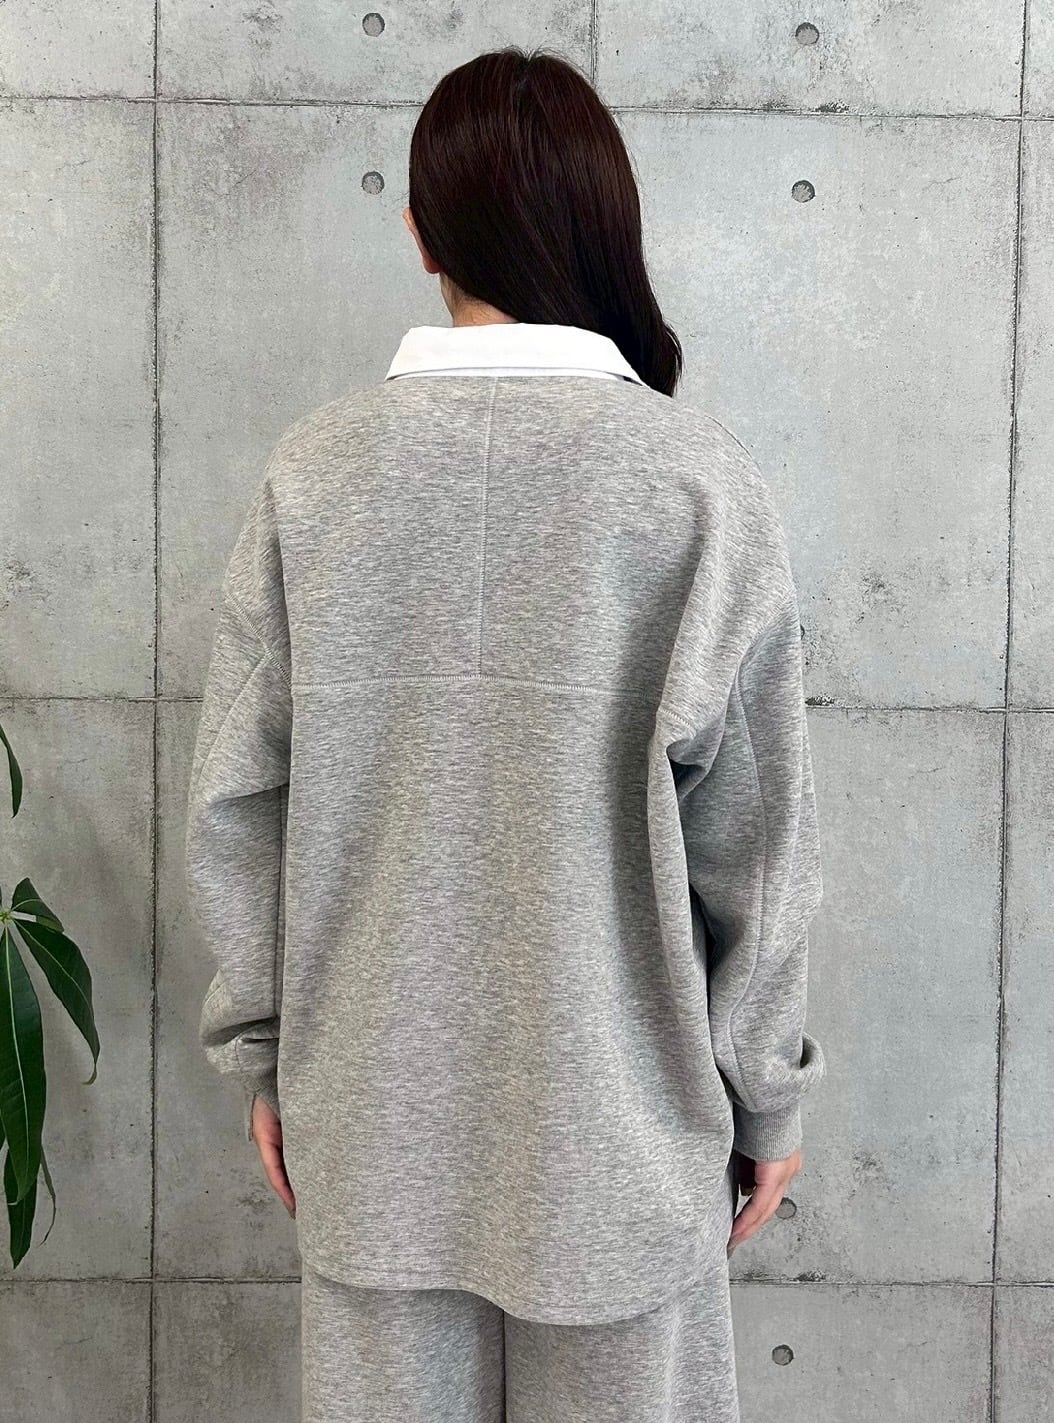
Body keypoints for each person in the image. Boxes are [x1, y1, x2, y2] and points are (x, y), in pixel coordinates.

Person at [184, 44, 826, 1423]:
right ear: (607, 225)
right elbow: (757, 848)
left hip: (373, 1129)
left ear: (421, 232)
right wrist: (765, 1096)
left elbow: (237, 805)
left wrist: (266, 1052)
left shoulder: (316, 478)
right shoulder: (696, 485)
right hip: (621, 1139)